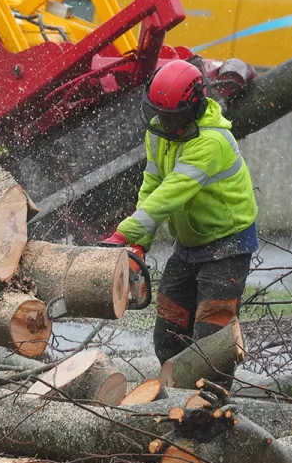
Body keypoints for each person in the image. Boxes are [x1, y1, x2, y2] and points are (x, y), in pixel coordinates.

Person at [100, 60, 258, 385]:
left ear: (193, 107)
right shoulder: (160, 132)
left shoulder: (211, 141)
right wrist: (138, 242)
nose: (164, 122)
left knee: (211, 339)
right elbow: (152, 185)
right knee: (168, 332)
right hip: (188, 243)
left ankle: (213, 407)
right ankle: (175, 397)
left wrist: (122, 233)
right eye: (161, 114)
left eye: (173, 117)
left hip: (227, 244)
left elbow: (173, 192)